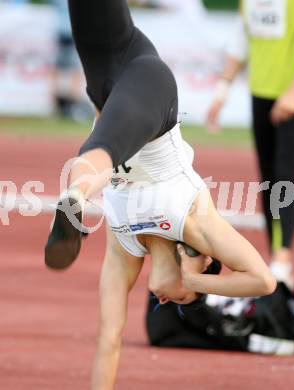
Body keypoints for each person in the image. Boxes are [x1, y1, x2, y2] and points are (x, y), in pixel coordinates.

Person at [44, 2, 276, 389]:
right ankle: (77, 195)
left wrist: (190, 284)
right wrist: (193, 285)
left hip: (105, 80)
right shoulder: (196, 223)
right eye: (179, 301)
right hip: (150, 85)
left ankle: (77, 194)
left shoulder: (125, 246)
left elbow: (109, 341)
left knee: (103, 140)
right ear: (201, 260)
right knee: (105, 147)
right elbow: (263, 282)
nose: (166, 301)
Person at [207, 0, 294, 290]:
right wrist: (221, 91)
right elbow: (241, 38)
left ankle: (282, 260)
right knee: (267, 175)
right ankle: (275, 260)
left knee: (286, 171)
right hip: (260, 92)